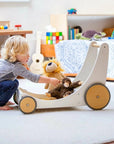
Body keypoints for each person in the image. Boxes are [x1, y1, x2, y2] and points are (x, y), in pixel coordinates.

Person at [0, 35, 60, 110]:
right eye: (25, 54)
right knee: (12, 84)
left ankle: (3, 99)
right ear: (15, 54)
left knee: (13, 81)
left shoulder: (6, 61)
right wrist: (50, 80)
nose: (29, 56)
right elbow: (33, 77)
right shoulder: (16, 66)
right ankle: (1, 103)